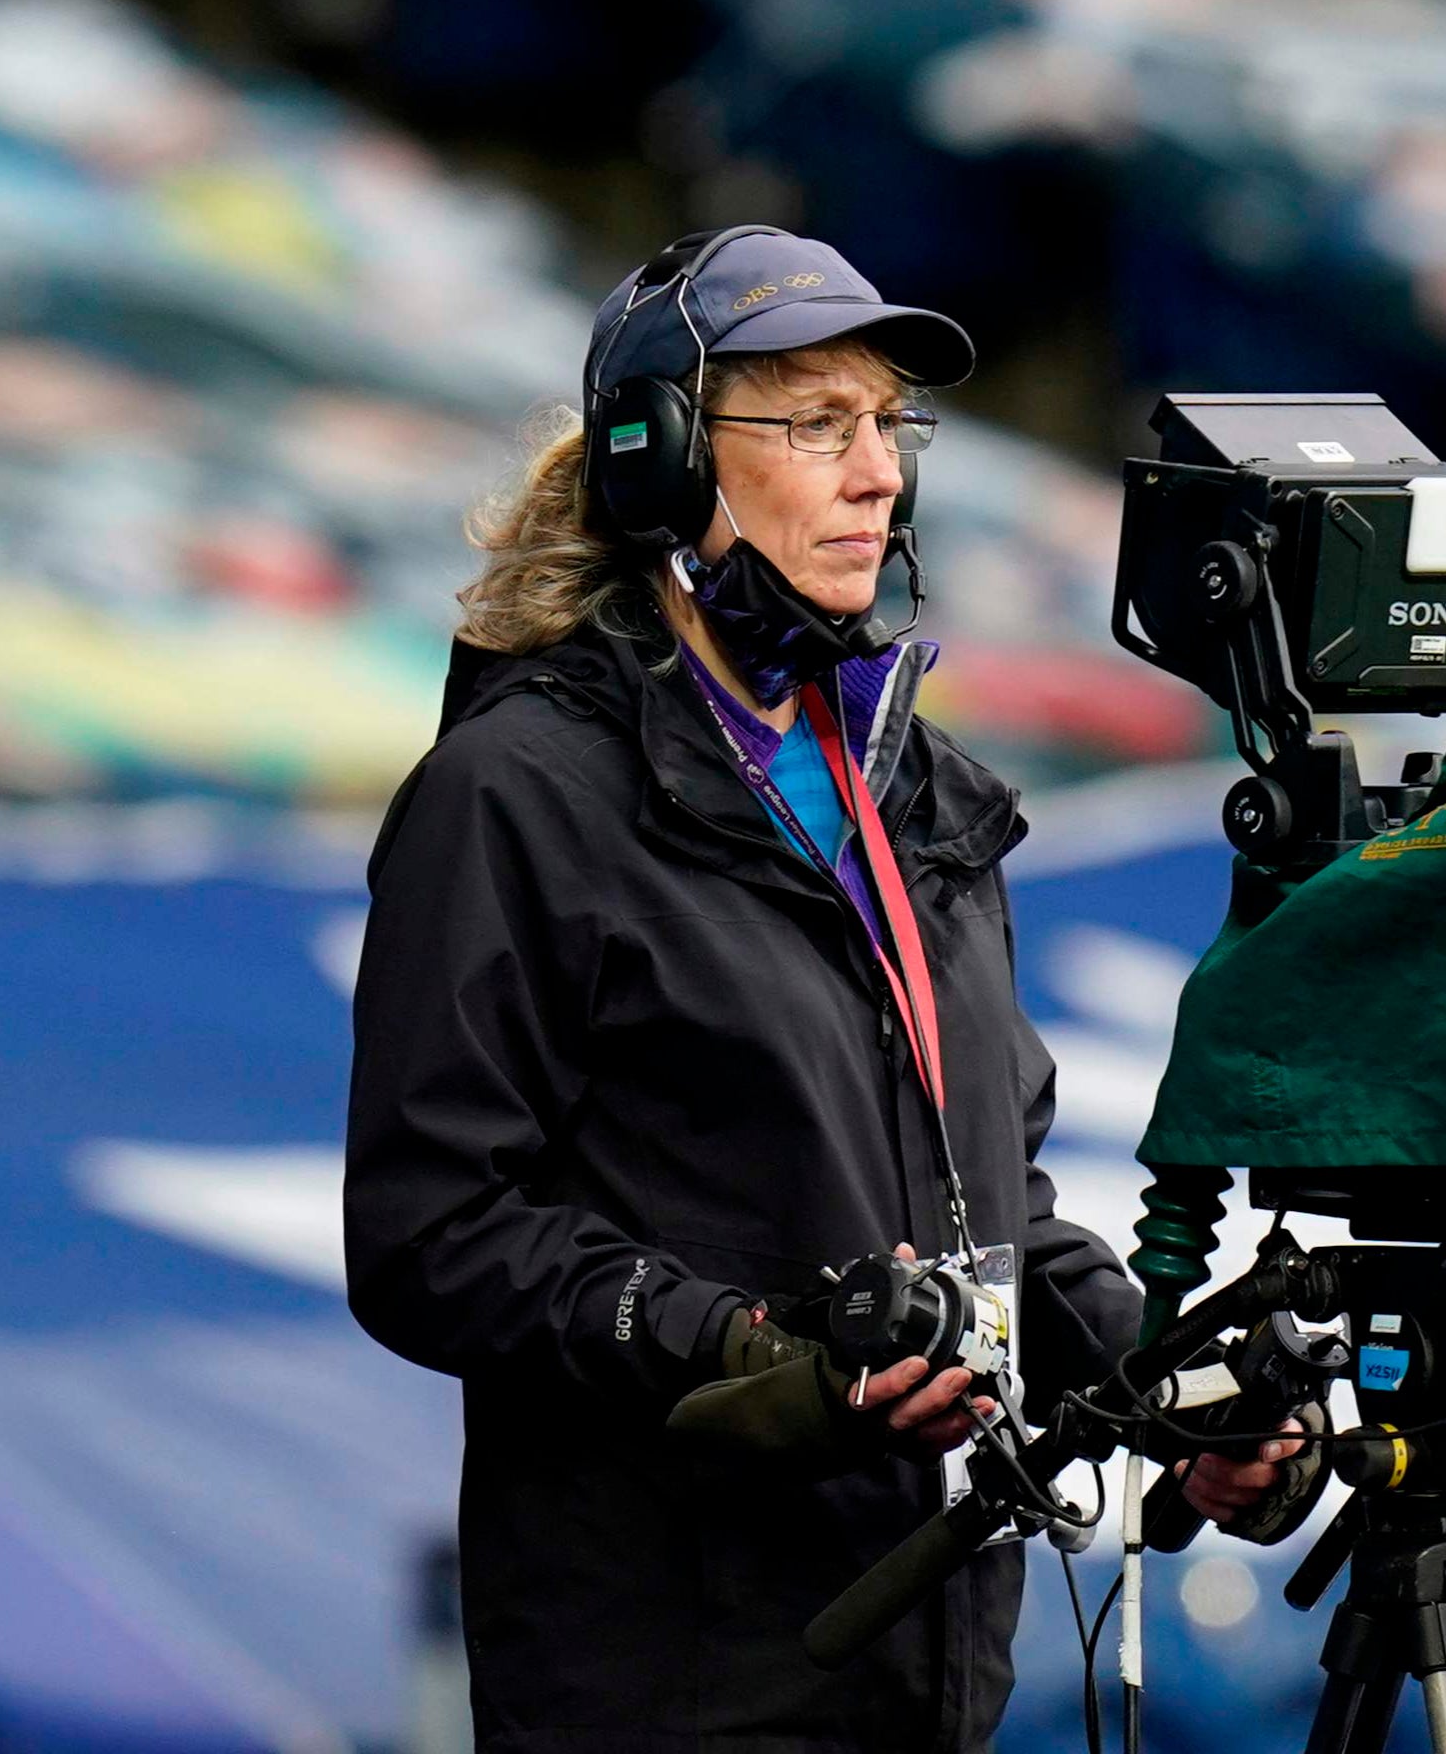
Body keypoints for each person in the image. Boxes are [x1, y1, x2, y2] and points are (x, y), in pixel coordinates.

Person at [346, 227, 1292, 1750]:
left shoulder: (918, 792)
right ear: (656, 462)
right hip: (672, 1677)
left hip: (927, 1660)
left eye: (885, 425)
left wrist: (1161, 1394)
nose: (879, 475)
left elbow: (992, 1209)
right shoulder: (514, 794)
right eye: (812, 423)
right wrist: (738, 1348)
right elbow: (427, 1232)